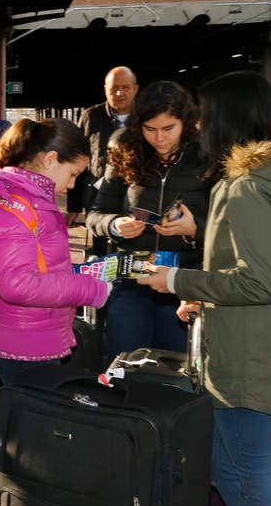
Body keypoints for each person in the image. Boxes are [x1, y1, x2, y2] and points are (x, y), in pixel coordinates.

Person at [138, 71, 271, 506]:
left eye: (206, 117)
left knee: (251, 473)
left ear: (230, 120)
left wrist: (180, 282)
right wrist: (205, 293)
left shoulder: (247, 190)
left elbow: (259, 282)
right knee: (227, 467)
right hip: (254, 346)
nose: (199, 126)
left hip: (251, 356)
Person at [0, 118, 110, 385]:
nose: (73, 184)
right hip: (27, 341)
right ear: (50, 159)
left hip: (35, 332)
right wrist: (91, 289)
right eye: (74, 173)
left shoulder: (29, 199)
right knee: (32, 421)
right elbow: (17, 285)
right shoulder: (15, 206)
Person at [86, 81, 211, 362]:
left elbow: (227, 227)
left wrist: (195, 229)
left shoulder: (207, 155)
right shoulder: (123, 149)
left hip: (184, 275)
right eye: (150, 129)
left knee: (174, 365)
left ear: (186, 123)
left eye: (169, 129)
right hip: (134, 270)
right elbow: (96, 213)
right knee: (123, 360)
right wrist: (115, 225)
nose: (159, 139)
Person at [66, 67, 139, 250]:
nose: (119, 93)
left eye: (125, 87)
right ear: (105, 89)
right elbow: (77, 159)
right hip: (98, 199)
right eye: (114, 88)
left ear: (135, 89)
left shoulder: (147, 118)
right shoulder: (90, 117)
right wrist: (73, 205)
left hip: (135, 197)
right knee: (101, 249)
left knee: (134, 249)